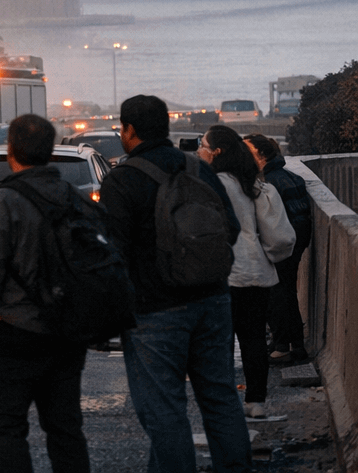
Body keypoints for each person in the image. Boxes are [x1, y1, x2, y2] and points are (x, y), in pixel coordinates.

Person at [100, 94, 249, 473]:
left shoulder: (123, 178)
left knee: (165, 411)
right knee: (220, 400)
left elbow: (112, 253)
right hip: (213, 301)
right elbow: (229, 228)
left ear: (129, 130)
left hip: (154, 311)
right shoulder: (199, 169)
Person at [0, 113, 91, 473]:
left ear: (10, 152)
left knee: (6, 433)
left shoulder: (0, 205)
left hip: (9, 335)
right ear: (51, 152)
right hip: (65, 334)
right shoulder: (76, 201)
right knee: (66, 430)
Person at [199, 126, 295, 419]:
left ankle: (225, 402)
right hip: (256, 272)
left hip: (224, 275)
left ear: (216, 152)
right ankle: (256, 402)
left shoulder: (211, 185)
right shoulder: (253, 183)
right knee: (253, 339)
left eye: (203, 145)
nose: (198, 150)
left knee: (222, 343)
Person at [245, 133, 313, 365]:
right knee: (287, 293)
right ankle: (294, 345)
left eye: (248, 151)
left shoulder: (268, 183)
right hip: (297, 242)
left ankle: (283, 346)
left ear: (261, 155)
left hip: (281, 245)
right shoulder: (292, 177)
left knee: (277, 295)